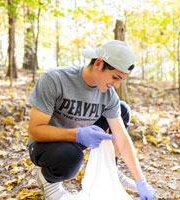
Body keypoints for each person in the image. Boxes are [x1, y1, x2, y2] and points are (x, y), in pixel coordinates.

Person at [27, 40, 155, 200]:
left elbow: (122, 138)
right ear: (99, 64)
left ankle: (111, 169)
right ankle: (48, 181)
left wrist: (140, 180)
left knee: (122, 110)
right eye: (115, 77)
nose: (116, 85)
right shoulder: (54, 79)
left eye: (121, 80)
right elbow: (35, 130)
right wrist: (77, 134)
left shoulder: (109, 95)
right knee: (71, 157)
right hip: (48, 144)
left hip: (81, 135)